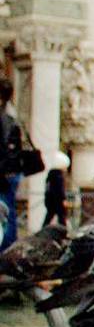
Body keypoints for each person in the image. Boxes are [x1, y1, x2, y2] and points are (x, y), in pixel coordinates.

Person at [0, 79, 23, 250]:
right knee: (9, 213)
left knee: (4, 213)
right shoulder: (11, 120)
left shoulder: (4, 121)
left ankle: (5, 250)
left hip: (4, 175)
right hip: (11, 173)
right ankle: (9, 249)